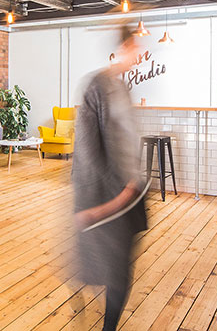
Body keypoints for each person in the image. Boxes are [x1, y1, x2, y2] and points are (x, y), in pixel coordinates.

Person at [71, 25, 149, 331]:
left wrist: (133, 182)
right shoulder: (96, 85)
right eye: (136, 47)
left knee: (120, 268)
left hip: (130, 193)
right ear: (123, 47)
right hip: (110, 195)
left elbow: (127, 142)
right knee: (108, 267)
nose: (140, 54)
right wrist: (110, 195)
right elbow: (88, 149)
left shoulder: (124, 88)